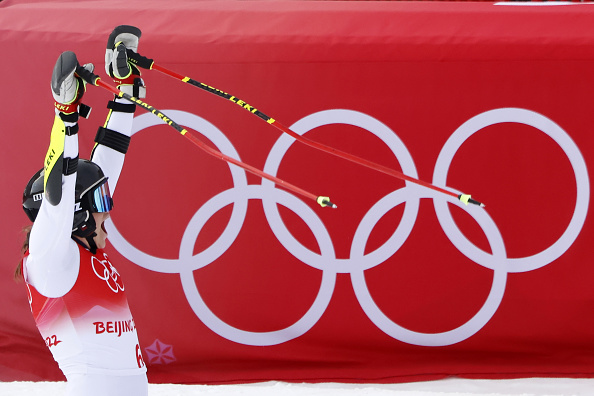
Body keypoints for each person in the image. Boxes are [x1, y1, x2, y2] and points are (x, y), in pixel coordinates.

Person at [18, 26, 149, 396]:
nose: (109, 213)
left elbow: (108, 159)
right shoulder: (50, 258)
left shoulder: (83, 248)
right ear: (76, 213)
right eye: (102, 204)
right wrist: (66, 116)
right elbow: (61, 182)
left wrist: (126, 89)